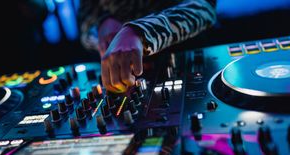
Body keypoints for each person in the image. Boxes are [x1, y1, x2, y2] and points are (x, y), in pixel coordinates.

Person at [78, 0, 216, 93]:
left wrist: (140, 32)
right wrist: (102, 23)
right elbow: (85, 18)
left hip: (187, 56)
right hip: (121, 66)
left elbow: (204, 7)